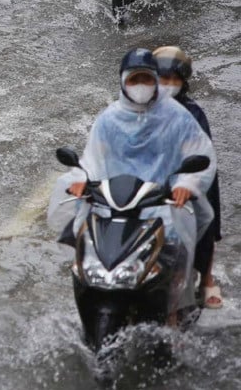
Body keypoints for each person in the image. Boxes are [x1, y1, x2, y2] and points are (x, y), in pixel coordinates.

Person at [48, 49, 216, 320]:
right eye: (134, 79)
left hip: (161, 202)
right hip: (116, 202)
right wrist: (79, 180)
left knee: (176, 254)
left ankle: (173, 313)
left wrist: (187, 182)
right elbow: (91, 159)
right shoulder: (108, 119)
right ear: (123, 82)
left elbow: (200, 153)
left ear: (155, 81)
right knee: (87, 246)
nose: (141, 86)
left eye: (146, 79)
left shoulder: (177, 117)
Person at [154, 45, 223, 309]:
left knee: (204, 222)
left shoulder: (193, 113)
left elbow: (201, 152)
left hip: (188, 179)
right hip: (152, 181)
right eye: (163, 78)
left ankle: (206, 279)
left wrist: (187, 181)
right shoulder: (139, 108)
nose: (168, 85)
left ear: (183, 82)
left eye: (174, 79)